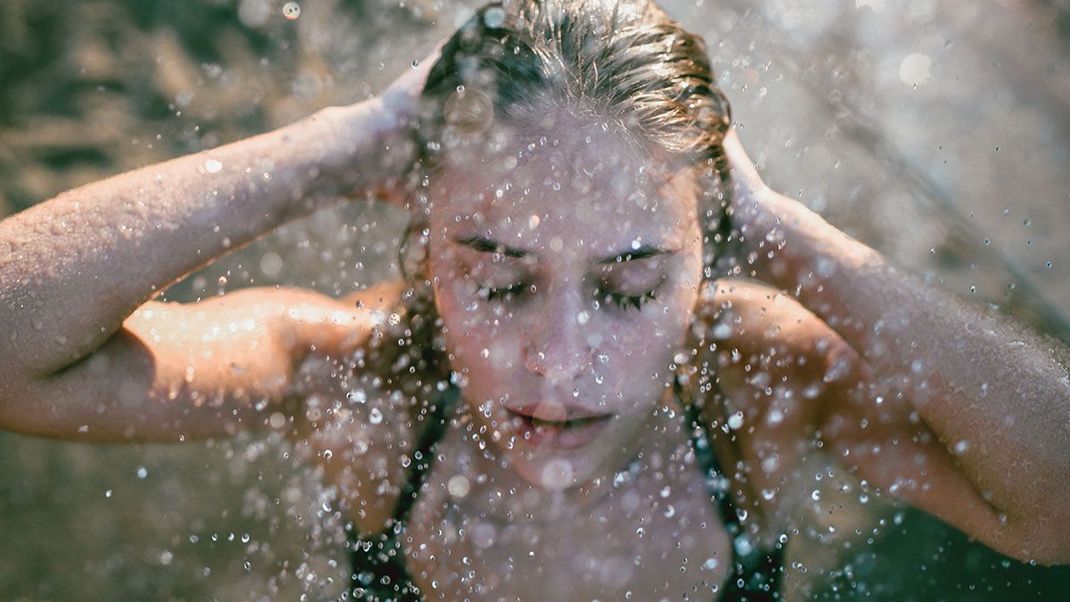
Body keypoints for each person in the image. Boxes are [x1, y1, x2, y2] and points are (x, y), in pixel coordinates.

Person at [1, 0, 1068, 599]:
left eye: (631, 282)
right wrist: (340, 144)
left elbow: (1053, 505)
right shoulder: (359, 378)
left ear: (710, 255)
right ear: (422, 233)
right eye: (500, 278)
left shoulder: (757, 377)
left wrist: (788, 234)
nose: (559, 363)